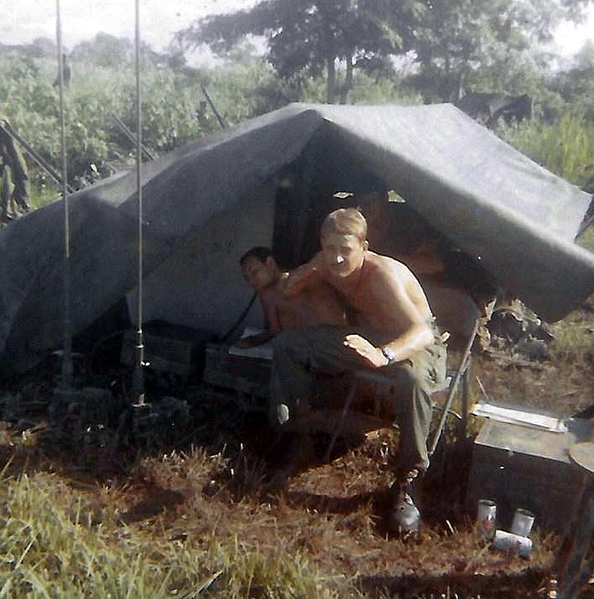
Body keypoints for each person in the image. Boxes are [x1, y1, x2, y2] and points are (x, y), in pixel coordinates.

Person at [269, 209, 447, 536]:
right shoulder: (327, 262)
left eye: (345, 250)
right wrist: (312, 268)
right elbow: (286, 291)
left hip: (416, 343)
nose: (337, 259)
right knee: (288, 345)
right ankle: (298, 436)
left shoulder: (382, 273)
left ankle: (410, 478)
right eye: (330, 248)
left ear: (364, 247)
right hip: (368, 336)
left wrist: (384, 354)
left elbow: (421, 332)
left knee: (412, 378)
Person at [238, 246, 346, 347]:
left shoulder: (301, 279)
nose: (251, 282)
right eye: (247, 278)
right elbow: (275, 333)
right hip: (313, 348)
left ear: (270, 263)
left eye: (255, 272)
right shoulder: (268, 294)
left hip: (330, 343)